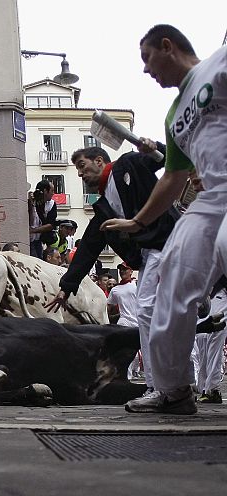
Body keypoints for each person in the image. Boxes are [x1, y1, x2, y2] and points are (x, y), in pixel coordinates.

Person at [100, 24, 227, 415]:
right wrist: (137, 222)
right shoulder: (174, 116)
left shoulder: (219, 65)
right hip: (210, 199)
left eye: (147, 58)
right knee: (168, 283)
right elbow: (172, 178)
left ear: (167, 47)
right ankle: (173, 391)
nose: (145, 70)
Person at [45, 144, 176, 400]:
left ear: (99, 161)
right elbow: (89, 248)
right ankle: (164, 387)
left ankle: (163, 387)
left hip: (170, 243)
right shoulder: (104, 208)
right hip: (152, 255)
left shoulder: (128, 164)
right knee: (153, 312)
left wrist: (154, 147)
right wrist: (66, 286)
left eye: (82, 166)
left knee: (153, 311)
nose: (80, 174)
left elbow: (163, 160)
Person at [191, 288, 227, 403]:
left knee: (214, 340)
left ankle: (212, 389)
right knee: (202, 339)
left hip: (219, 293)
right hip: (203, 294)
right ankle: (203, 388)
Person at [28, 180, 57, 259]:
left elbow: (51, 225)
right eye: (52, 191)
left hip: (39, 239)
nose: (53, 193)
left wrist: (33, 230)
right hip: (28, 240)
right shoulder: (30, 201)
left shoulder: (51, 204)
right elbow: (29, 220)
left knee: (39, 260)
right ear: (45, 191)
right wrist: (31, 204)